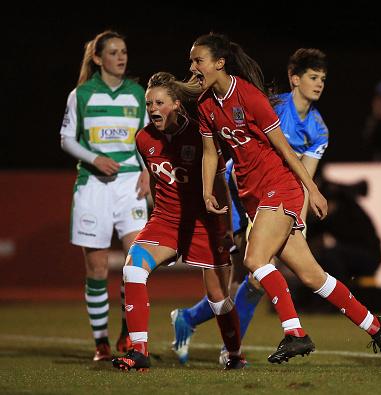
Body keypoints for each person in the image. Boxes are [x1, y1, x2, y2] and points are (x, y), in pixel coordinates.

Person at [191, 33, 381, 368]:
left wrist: (311, 190)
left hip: (280, 186)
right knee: (314, 277)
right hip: (251, 196)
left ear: (219, 63)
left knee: (256, 260)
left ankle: (294, 333)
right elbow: (209, 154)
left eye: (197, 60)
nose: (193, 67)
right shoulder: (205, 105)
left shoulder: (252, 98)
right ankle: (377, 327)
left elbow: (287, 152)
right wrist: (205, 190)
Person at [170, 48, 332, 365]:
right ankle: (222, 342)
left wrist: (297, 219)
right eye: (313, 77)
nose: (319, 84)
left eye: (323, 79)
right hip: (241, 190)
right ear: (294, 79)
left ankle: (206, 331)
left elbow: (304, 176)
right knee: (241, 273)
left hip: (275, 195)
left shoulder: (319, 129)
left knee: (256, 277)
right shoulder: (273, 106)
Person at [111, 72, 245, 371]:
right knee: (133, 268)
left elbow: (221, 184)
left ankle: (235, 356)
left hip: (204, 223)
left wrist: (224, 227)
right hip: (166, 221)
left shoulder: (201, 135)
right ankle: (139, 351)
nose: (153, 109)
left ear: (176, 104)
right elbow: (159, 183)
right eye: (148, 104)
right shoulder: (144, 138)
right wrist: (157, 217)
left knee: (219, 297)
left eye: (160, 102)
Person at [59, 31, 150, 361]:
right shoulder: (81, 94)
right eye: (113, 53)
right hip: (93, 186)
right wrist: (94, 158)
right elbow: (67, 139)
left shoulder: (139, 93)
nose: (121, 57)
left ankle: (129, 333)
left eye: (124, 51)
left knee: (135, 261)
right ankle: (101, 341)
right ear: (98, 59)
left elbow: (144, 138)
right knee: (97, 269)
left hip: (129, 187)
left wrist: (147, 170)